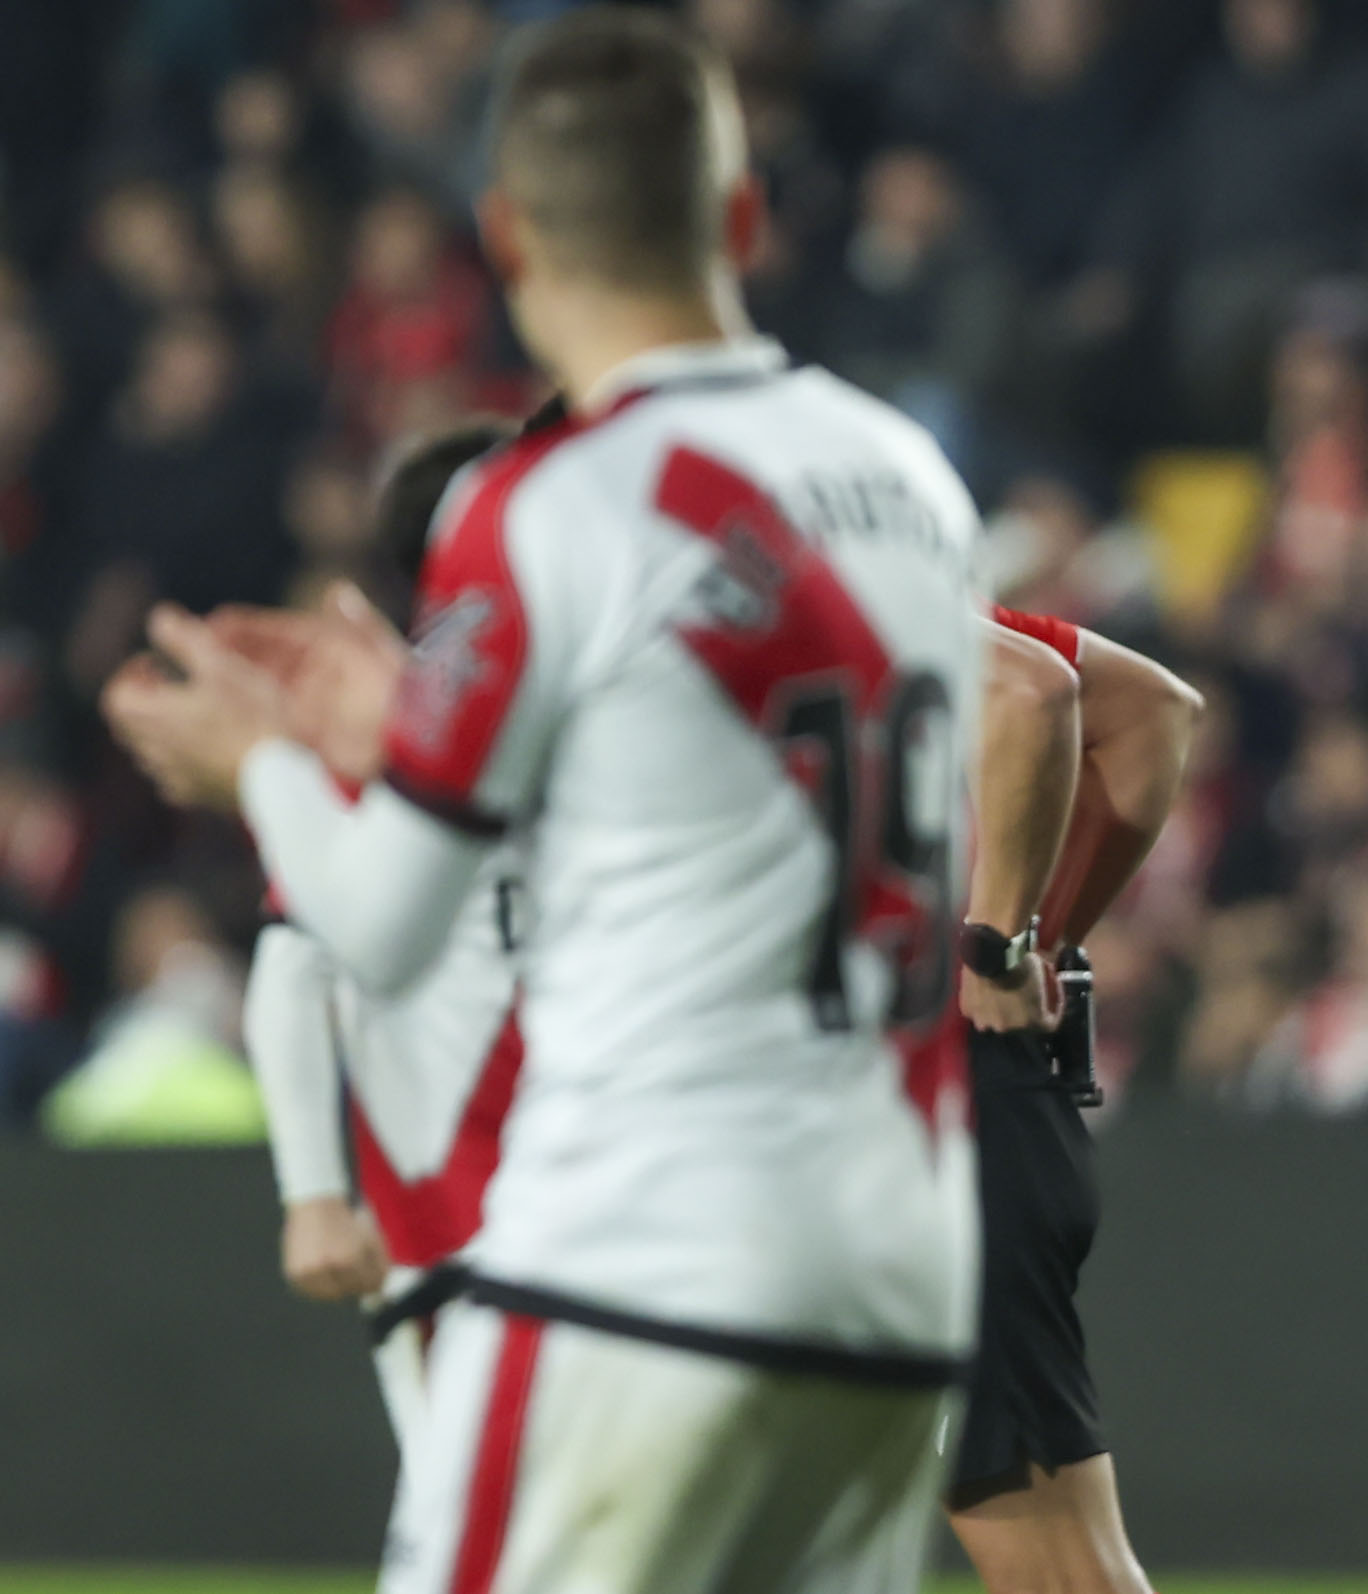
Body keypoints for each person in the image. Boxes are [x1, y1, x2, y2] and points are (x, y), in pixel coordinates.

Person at [102, 11, 982, 1592]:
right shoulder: (906, 476)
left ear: (504, 236)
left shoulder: (550, 503)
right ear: (740, 216)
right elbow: (700, 764)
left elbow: (375, 922)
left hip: (643, 1257)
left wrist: (262, 765)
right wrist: (399, 710)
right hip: (900, 1265)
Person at [239, 420, 526, 1464]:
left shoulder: (581, 725)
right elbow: (292, 963)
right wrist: (315, 1196)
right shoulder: (390, 739)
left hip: (602, 1218)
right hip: (458, 1232)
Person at [950, 604, 1199, 1594]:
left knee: (1057, 1566)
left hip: (907, 1106)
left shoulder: (785, 596)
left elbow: (1032, 691)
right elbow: (1152, 716)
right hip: (977, 1091)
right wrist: (1034, 945)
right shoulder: (883, 574)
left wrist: (999, 945)